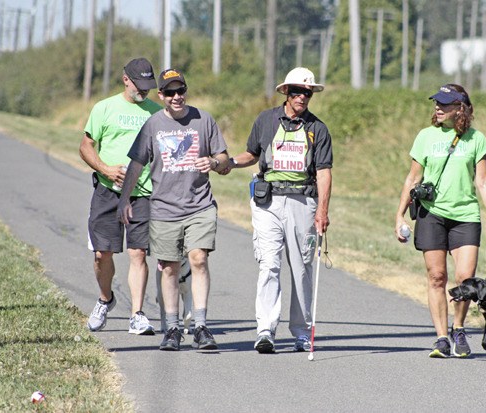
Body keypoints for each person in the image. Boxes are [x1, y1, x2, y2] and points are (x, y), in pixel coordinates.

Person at [221, 67, 333, 354]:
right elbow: (253, 154)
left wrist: (322, 211)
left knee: (301, 268)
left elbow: (323, 172)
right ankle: (265, 330)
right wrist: (230, 163)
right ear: (286, 92)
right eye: (297, 91)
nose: (302, 97)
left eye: (307, 93)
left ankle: (302, 332)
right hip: (268, 203)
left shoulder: (318, 129)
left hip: (303, 203)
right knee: (269, 264)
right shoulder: (266, 120)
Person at [118, 68, 229, 351]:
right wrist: (124, 199)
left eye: (181, 90)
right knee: (169, 268)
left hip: (199, 205)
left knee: (198, 258)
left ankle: (200, 326)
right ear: (161, 95)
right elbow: (136, 164)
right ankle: (172, 328)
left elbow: (224, 158)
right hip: (164, 209)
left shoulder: (204, 120)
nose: (177, 96)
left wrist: (214, 163)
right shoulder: (153, 125)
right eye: (170, 93)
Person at [394, 84, 486, 358]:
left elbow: (483, 181)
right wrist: (399, 214)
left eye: (444, 103)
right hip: (432, 214)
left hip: (466, 216)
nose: (437, 107)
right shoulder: (426, 136)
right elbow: (413, 178)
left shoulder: (476, 139)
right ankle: (441, 338)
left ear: (460, 108)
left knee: (465, 278)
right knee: (437, 277)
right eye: (436, 103)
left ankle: (459, 328)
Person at [80, 57, 161, 335]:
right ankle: (105, 299)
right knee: (102, 254)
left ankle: (137, 314)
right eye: (140, 84)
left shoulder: (157, 113)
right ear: (126, 79)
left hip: (142, 193)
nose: (145, 90)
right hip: (108, 191)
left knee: (138, 253)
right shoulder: (104, 108)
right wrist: (105, 169)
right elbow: (86, 146)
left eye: (149, 85)